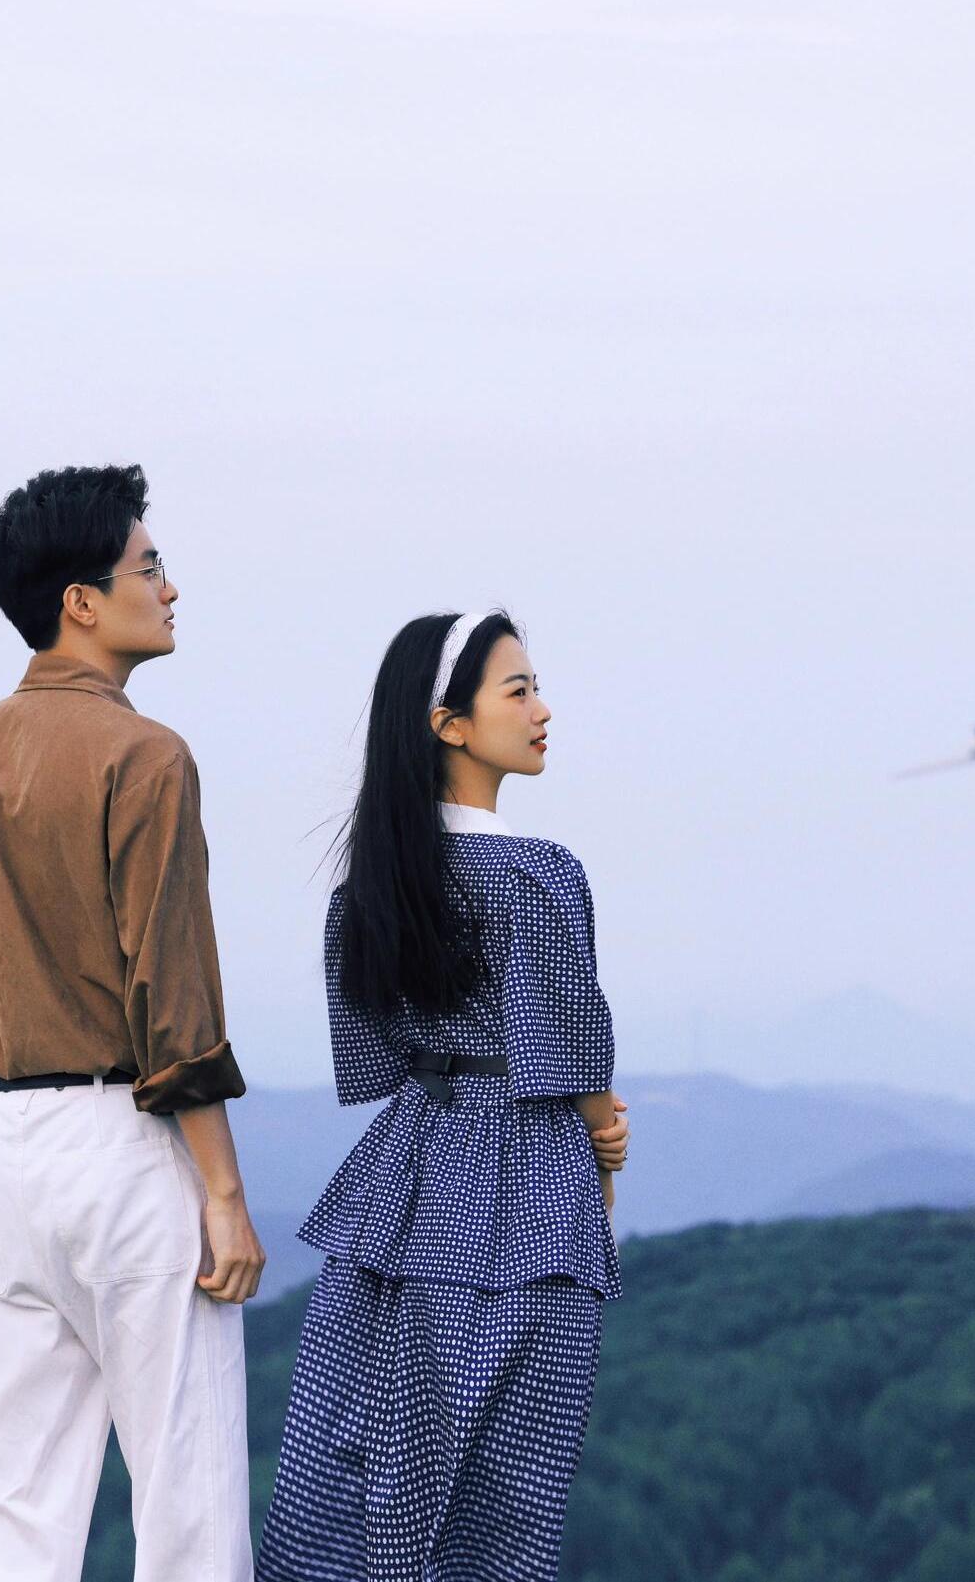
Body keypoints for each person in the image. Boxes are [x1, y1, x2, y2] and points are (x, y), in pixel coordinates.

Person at [0, 463, 264, 1582]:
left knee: (11, 1500)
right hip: (130, 1144)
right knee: (186, 1494)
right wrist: (224, 1197)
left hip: (5, 1145)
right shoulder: (147, 758)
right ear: (82, 601)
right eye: (149, 566)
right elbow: (172, 996)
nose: (172, 586)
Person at [258, 609, 630, 1582]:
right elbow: (574, 1051)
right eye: (519, 690)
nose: (543, 709)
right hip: (527, 1186)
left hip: (403, 1177)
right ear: (447, 722)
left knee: (378, 1460)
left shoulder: (367, 886)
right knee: (505, 1489)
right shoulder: (535, 875)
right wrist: (605, 1134)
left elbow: (373, 1056)